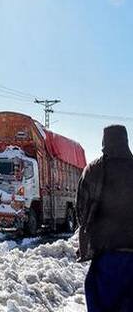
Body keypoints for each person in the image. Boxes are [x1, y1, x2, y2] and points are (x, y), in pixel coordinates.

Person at [77, 125, 133, 312]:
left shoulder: (93, 170)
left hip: (106, 257)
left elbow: (81, 212)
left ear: (104, 142)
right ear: (125, 141)